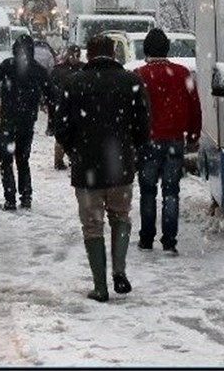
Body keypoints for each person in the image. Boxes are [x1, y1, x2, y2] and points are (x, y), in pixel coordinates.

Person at [55, 35, 149, 302]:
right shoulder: (132, 82)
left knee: (92, 226)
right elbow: (143, 126)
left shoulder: (73, 83)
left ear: (89, 54)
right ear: (114, 53)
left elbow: (61, 127)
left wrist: (76, 148)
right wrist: (131, 148)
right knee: (121, 216)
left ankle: (100, 286)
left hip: (87, 169)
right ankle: (119, 270)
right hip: (120, 165)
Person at [0, 34, 56, 210]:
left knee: (6, 161)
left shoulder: (8, 65)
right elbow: (52, 95)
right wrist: (53, 119)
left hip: (9, 121)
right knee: (23, 160)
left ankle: (10, 198)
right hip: (27, 122)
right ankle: (26, 195)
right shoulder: (38, 70)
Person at [134, 28, 202, 255]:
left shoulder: (139, 75)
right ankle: (169, 240)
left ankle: (146, 238)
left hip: (148, 141)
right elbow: (194, 106)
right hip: (175, 140)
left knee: (148, 191)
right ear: (167, 49)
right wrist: (193, 136)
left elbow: (134, 112)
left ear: (146, 49)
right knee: (171, 192)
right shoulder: (182, 73)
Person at [49, 44, 85, 170]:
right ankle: (58, 160)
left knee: (77, 134)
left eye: (77, 55)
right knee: (62, 134)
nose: (75, 58)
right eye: (72, 55)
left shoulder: (83, 69)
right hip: (63, 106)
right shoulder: (59, 70)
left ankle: (73, 157)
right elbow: (51, 88)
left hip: (78, 106)